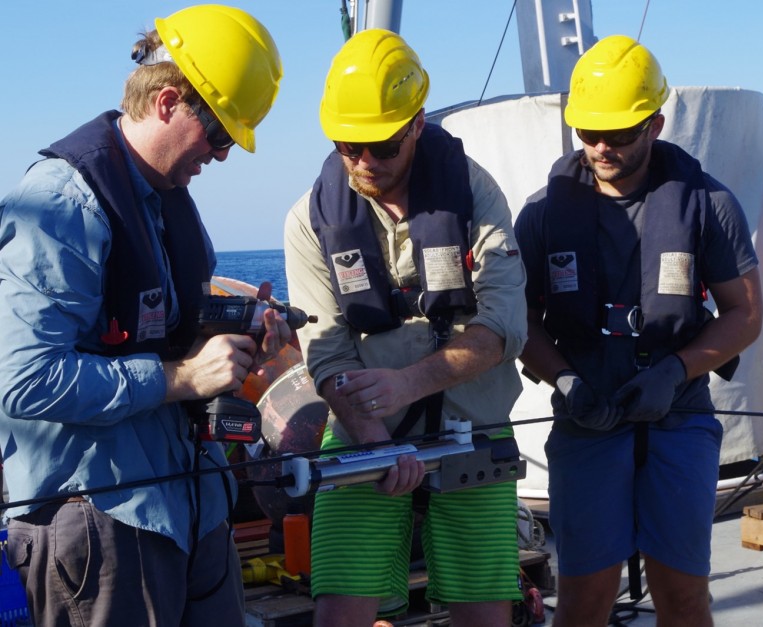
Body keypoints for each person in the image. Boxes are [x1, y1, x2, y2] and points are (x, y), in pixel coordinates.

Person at [0, 6, 288, 627]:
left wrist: (244, 333)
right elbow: (24, 379)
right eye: (218, 134)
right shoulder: (60, 203)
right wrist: (182, 379)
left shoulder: (169, 203)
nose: (223, 155)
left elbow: (177, 332)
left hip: (195, 511)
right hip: (106, 526)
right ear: (167, 103)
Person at [514, 34, 763, 627]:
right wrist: (565, 379)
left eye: (620, 134)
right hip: (585, 421)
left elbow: (746, 314)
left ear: (655, 121)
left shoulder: (708, 205)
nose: (601, 148)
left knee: (682, 597)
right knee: (582, 602)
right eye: (587, 134)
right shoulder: (544, 214)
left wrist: (674, 370)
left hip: (677, 420)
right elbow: (515, 318)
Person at [284, 29, 528, 627]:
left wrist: (408, 384)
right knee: (340, 610)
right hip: (362, 438)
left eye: (384, 146)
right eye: (349, 146)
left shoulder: (474, 194)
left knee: (485, 614)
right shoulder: (307, 221)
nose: (365, 161)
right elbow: (327, 353)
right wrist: (372, 435)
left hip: (475, 430)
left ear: (417, 124)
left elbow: (502, 327)